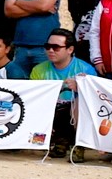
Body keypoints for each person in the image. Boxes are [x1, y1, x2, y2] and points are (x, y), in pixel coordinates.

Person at [29, 29, 96, 158]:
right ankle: (48, 142)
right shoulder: (38, 70)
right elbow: (34, 99)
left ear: (70, 49)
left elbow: (96, 98)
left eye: (56, 47)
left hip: (75, 114)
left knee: (79, 104)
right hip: (51, 112)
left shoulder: (86, 69)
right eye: (48, 47)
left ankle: (79, 144)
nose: (50, 51)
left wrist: (81, 88)